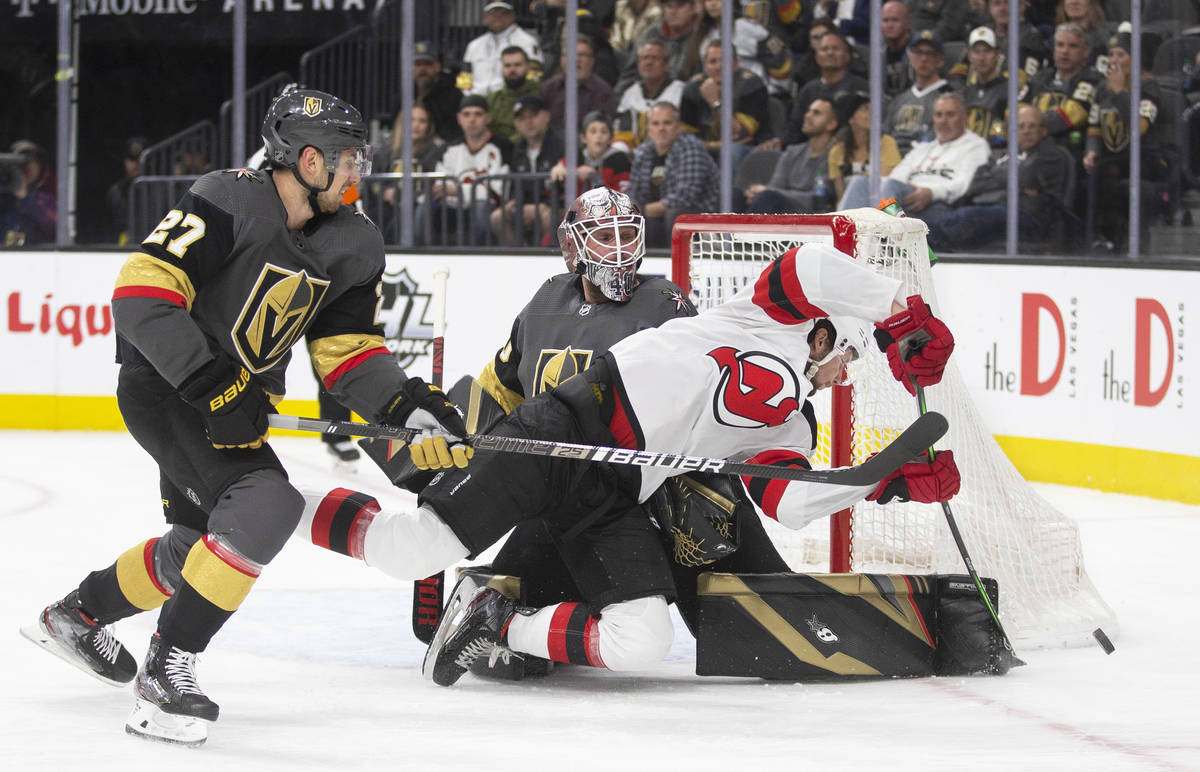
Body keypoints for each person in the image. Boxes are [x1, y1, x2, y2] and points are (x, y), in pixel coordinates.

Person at [294, 200, 960, 687]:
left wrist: (886, 480)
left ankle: (496, 617)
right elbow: (811, 264)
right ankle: (272, 499)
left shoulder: (788, 424)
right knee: (410, 550)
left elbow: (786, 501)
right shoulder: (764, 316)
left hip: (610, 491)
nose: (848, 372)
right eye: (851, 353)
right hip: (555, 438)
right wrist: (902, 315)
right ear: (829, 331)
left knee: (642, 639)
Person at [19, 89, 472, 746]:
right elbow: (140, 297)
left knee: (196, 546)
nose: (358, 171)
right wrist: (214, 386)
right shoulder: (229, 199)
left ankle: (76, 615)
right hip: (167, 387)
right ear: (307, 159)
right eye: (347, 158)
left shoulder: (355, 240)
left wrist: (405, 406)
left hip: (231, 404)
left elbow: (347, 353)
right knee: (266, 504)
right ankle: (165, 672)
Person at [925, 104, 1073, 250]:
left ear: (1043, 130)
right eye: (1021, 127)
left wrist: (997, 176)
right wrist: (1012, 184)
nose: (1026, 131)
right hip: (991, 210)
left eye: (1032, 126)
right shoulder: (999, 155)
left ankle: (923, 243)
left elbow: (1025, 177)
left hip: (1027, 217)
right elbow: (976, 183)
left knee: (967, 217)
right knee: (950, 215)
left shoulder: (1052, 155)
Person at [841, 92, 991, 216]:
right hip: (905, 201)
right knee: (861, 182)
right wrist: (877, 179)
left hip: (936, 204)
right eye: (939, 115)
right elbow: (895, 178)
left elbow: (965, 183)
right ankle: (836, 241)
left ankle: (885, 239)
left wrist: (931, 193)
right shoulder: (923, 148)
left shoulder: (975, 145)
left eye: (950, 115)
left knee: (891, 187)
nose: (943, 121)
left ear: (965, 119)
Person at [1082, 31, 1167, 249]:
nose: (1114, 60)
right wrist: (1091, 151)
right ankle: (1096, 237)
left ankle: (1113, 237)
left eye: (1121, 54)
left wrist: (1120, 93)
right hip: (1113, 157)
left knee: (1106, 174)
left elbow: (1139, 128)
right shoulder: (1102, 89)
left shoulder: (1148, 87)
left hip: (1145, 157)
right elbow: (1094, 126)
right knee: (1091, 172)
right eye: (1111, 55)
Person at [423, 94, 513, 246]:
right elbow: (441, 184)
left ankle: (480, 254)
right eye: (466, 114)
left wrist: (458, 190)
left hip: (487, 206)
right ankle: (421, 254)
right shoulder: (449, 149)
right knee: (423, 209)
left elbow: (496, 191)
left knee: (480, 206)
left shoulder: (503, 147)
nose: (472, 119)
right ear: (459, 118)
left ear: (488, 118)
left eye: (478, 114)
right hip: (452, 205)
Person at [627, 101, 719, 247]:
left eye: (667, 123)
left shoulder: (691, 147)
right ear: (648, 128)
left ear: (678, 127)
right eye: (655, 124)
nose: (661, 128)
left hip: (699, 214)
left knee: (675, 215)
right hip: (656, 215)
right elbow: (633, 191)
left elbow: (686, 195)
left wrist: (644, 210)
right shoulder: (643, 152)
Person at [680, 38, 773, 168]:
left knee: (730, 152)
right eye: (712, 62)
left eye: (724, 61)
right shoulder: (693, 88)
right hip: (708, 150)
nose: (718, 67)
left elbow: (739, 134)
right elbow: (683, 139)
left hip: (751, 151)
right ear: (705, 66)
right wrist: (714, 146)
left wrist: (715, 102)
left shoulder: (751, 84)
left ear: (735, 64)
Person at [489, 94, 564, 246]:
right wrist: (513, 202)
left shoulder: (562, 145)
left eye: (534, 115)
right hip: (526, 207)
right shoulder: (516, 149)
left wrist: (543, 205)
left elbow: (566, 188)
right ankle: (515, 261)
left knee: (546, 215)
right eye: (522, 118)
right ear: (516, 124)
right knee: (498, 216)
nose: (528, 122)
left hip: (559, 208)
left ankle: (545, 259)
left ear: (546, 116)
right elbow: (515, 184)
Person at [1022, 22, 1102, 162]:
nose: (1065, 51)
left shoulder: (1091, 80)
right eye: (1060, 45)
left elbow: (1070, 116)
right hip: (1029, 154)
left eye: (1073, 46)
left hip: (1068, 156)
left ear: (1086, 51)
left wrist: (1029, 125)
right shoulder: (1039, 78)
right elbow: (1014, 111)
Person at [744, 97, 840, 214]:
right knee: (736, 195)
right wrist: (761, 192)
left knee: (767, 197)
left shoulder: (835, 154)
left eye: (816, 113)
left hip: (816, 215)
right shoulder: (792, 152)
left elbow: (820, 198)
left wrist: (770, 192)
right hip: (783, 210)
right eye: (808, 111)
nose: (807, 115)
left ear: (831, 124)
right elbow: (775, 186)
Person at [784, 30, 869, 147]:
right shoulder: (808, 89)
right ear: (817, 57)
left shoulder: (861, 87)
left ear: (847, 56)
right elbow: (796, 126)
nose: (830, 53)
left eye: (836, 49)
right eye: (824, 49)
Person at [949, 26, 1028, 150]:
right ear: (969, 56)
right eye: (976, 51)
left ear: (997, 54)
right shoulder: (965, 94)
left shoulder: (1010, 91)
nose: (981, 58)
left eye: (987, 51)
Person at [884, 30, 956, 155]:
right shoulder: (899, 100)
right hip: (893, 162)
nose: (924, 59)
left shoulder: (950, 98)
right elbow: (885, 135)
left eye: (930, 53)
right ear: (910, 57)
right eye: (918, 52)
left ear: (941, 60)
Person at [828, 92, 902, 206]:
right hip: (853, 208)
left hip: (882, 205)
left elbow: (886, 177)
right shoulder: (837, 152)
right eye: (864, 109)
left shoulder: (886, 142)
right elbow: (841, 195)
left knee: (860, 181)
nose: (871, 113)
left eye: (872, 109)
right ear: (851, 118)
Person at [613, 39, 687, 152]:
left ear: (666, 64)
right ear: (638, 64)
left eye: (655, 58)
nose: (649, 62)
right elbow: (622, 134)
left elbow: (686, 134)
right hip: (635, 157)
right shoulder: (630, 93)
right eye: (645, 58)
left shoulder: (681, 91)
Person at [462, 1, 544, 96]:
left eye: (503, 13)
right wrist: (468, 96)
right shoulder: (474, 45)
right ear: (485, 17)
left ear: (513, 15)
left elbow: (535, 75)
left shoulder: (527, 42)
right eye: (493, 14)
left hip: (510, 98)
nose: (497, 17)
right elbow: (465, 76)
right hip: (477, 102)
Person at [617, 0, 701, 92]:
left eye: (679, 6)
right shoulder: (650, 34)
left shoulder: (700, 36)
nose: (673, 11)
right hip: (645, 95)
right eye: (669, 6)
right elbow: (630, 74)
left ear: (694, 8)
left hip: (683, 96)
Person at [538, 35, 617, 129]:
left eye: (582, 55)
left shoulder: (603, 92)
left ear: (592, 60)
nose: (576, 60)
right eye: (570, 55)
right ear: (561, 60)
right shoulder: (547, 89)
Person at [550, 111, 633, 194]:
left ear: (611, 138)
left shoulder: (620, 160)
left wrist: (594, 177)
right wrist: (560, 170)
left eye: (604, 132)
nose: (598, 136)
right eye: (593, 132)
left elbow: (622, 198)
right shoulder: (576, 157)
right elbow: (552, 186)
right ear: (583, 138)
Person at [0, 139, 56, 247]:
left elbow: (54, 227)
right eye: (22, 162)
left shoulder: (47, 201)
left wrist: (25, 197)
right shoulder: (3, 199)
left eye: (33, 160)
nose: (28, 166)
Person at [411, 40, 465, 144]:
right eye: (418, 64)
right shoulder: (404, 95)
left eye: (427, 64)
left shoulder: (453, 96)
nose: (422, 69)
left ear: (437, 67)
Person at [485, 45, 541, 143]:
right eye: (507, 66)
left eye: (517, 65)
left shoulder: (540, 94)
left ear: (527, 67)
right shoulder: (492, 99)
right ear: (502, 69)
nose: (512, 70)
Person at [105, 136, 148, 245]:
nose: (135, 164)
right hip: (124, 248)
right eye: (131, 159)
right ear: (124, 161)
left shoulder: (160, 190)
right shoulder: (116, 191)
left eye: (139, 159)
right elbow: (111, 226)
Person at [881, 0, 916, 96]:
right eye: (885, 20)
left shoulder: (918, 51)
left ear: (907, 23)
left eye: (895, 20)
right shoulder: (878, 54)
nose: (890, 25)